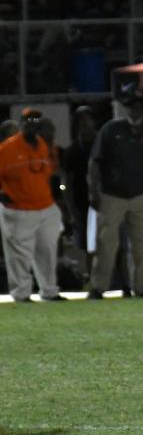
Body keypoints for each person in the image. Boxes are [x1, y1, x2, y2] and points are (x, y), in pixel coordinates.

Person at [88, 86, 143, 299]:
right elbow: (95, 163)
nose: (134, 111)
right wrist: (93, 190)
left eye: (138, 107)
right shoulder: (111, 130)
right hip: (112, 194)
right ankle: (98, 287)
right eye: (131, 106)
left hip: (141, 195)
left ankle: (142, 287)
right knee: (106, 243)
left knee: (141, 244)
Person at [0, 108, 65, 302]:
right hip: (18, 209)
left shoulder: (43, 145)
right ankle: (21, 293)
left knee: (47, 252)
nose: (32, 122)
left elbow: (50, 176)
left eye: (36, 119)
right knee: (19, 256)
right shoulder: (8, 148)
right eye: (28, 119)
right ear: (21, 123)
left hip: (45, 207)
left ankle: (49, 291)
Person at [62, 106, 98, 274]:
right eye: (80, 121)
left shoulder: (102, 145)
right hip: (82, 204)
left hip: (105, 200)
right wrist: (70, 209)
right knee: (88, 244)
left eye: (87, 119)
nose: (84, 124)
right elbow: (66, 183)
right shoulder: (72, 151)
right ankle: (91, 277)